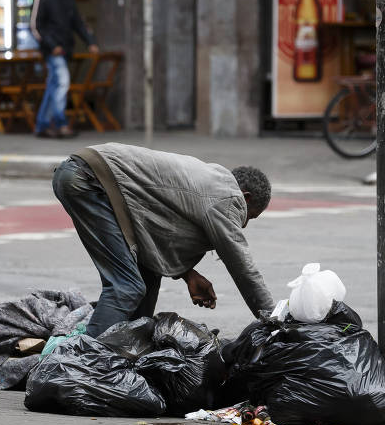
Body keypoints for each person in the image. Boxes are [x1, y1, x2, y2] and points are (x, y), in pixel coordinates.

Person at [52, 143, 275, 337]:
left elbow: (157, 236)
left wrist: (188, 275)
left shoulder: (211, 182)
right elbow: (243, 269)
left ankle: (126, 351)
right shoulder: (228, 198)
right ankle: (80, 364)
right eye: (249, 216)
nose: (243, 224)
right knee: (126, 287)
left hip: (84, 174)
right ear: (246, 198)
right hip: (88, 179)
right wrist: (276, 323)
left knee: (146, 276)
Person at [31, 0, 98, 139]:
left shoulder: (69, 0)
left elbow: (78, 24)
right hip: (52, 51)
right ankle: (60, 124)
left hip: (65, 49)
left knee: (53, 86)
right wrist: (51, 45)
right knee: (62, 83)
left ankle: (42, 125)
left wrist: (90, 42)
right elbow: (36, 26)